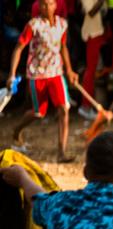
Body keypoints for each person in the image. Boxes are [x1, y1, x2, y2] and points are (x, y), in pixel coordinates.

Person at [7, 0, 79, 163]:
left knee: (63, 109)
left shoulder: (62, 24)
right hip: (37, 74)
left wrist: (69, 70)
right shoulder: (34, 25)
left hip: (56, 72)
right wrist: (12, 74)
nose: (47, 8)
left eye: (50, 4)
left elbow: (63, 47)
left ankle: (61, 151)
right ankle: (17, 129)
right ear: (39, 6)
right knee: (39, 113)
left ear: (56, 6)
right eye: (44, 4)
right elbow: (19, 48)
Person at [78, 0, 113, 121]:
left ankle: (91, 106)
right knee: (90, 70)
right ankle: (85, 106)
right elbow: (91, 12)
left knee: (95, 70)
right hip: (92, 33)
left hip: (99, 33)